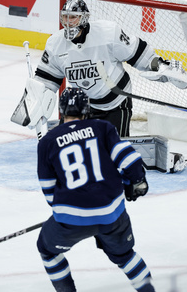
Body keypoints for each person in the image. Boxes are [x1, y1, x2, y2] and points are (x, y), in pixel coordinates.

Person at [12, 0, 187, 138]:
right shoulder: (55, 44)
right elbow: (46, 80)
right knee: (65, 145)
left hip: (115, 102)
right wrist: (32, 103)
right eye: (65, 16)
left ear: (84, 18)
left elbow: (139, 55)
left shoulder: (107, 33)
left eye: (73, 17)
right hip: (82, 106)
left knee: (113, 153)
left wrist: (162, 69)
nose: (68, 22)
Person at [36, 87, 155, 292]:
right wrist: (135, 182)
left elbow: (48, 190)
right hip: (112, 214)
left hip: (71, 217)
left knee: (46, 249)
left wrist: (61, 210)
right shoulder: (102, 127)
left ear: (62, 111)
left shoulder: (47, 141)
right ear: (87, 110)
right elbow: (130, 159)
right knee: (125, 256)